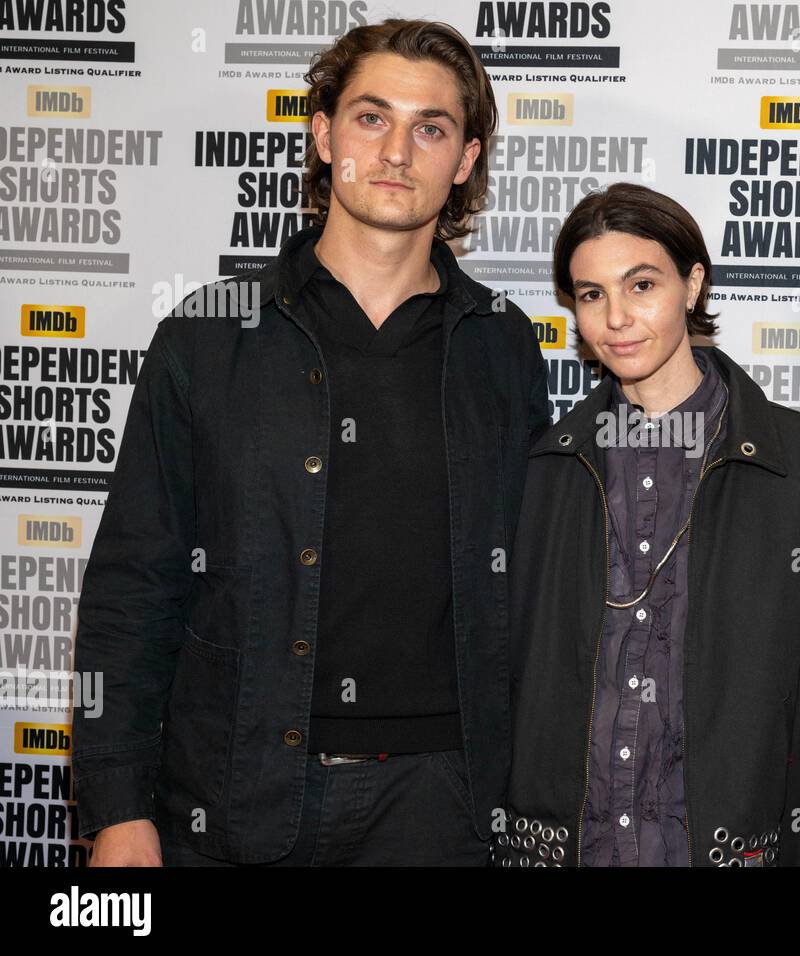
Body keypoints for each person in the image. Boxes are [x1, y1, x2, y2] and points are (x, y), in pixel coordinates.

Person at [71, 18, 549, 866]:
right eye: (372, 118)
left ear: (466, 161)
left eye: (431, 128)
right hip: (237, 792)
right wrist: (115, 806)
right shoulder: (210, 336)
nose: (399, 149)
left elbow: (535, 590)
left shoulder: (501, 346)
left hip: (444, 806)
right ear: (324, 134)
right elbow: (132, 585)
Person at [499, 182, 800, 868]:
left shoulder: (790, 456)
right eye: (592, 294)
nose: (617, 318)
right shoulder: (549, 464)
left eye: (641, 285)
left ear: (693, 284)